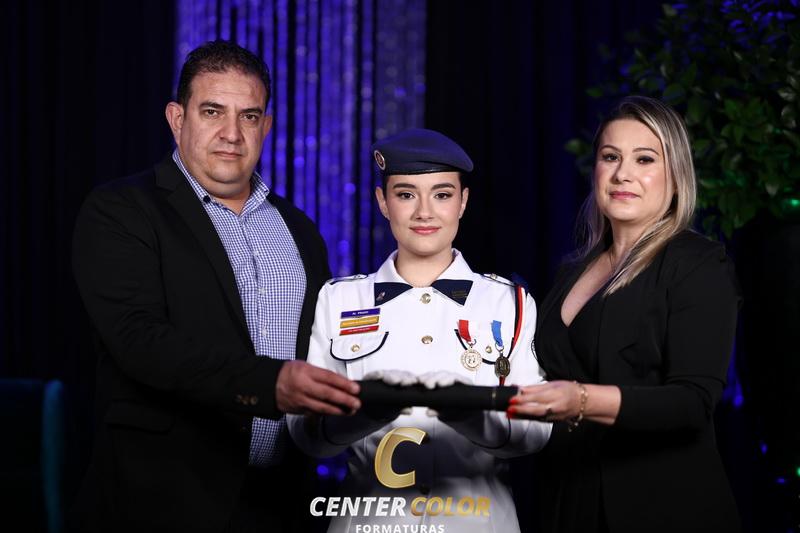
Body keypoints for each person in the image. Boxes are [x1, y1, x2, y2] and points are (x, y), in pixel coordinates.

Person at [70, 40, 361, 533]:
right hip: (161, 503)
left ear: (266, 126)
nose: (232, 134)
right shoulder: (121, 211)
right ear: (176, 118)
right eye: (212, 112)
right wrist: (269, 384)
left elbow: (324, 348)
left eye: (249, 116)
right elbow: (140, 342)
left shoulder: (300, 230)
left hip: (283, 503)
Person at [287, 128, 552, 532]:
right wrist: (366, 412)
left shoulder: (509, 303)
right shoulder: (338, 300)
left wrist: (466, 412)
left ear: (463, 201)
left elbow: (536, 430)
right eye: (406, 194)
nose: (424, 212)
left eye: (442, 195)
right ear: (383, 202)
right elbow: (305, 432)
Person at [509, 96, 741, 532]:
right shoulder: (571, 270)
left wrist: (581, 400)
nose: (622, 174)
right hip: (568, 501)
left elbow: (693, 402)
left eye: (645, 159)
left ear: (676, 176)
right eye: (610, 156)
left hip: (662, 508)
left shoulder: (697, 264)